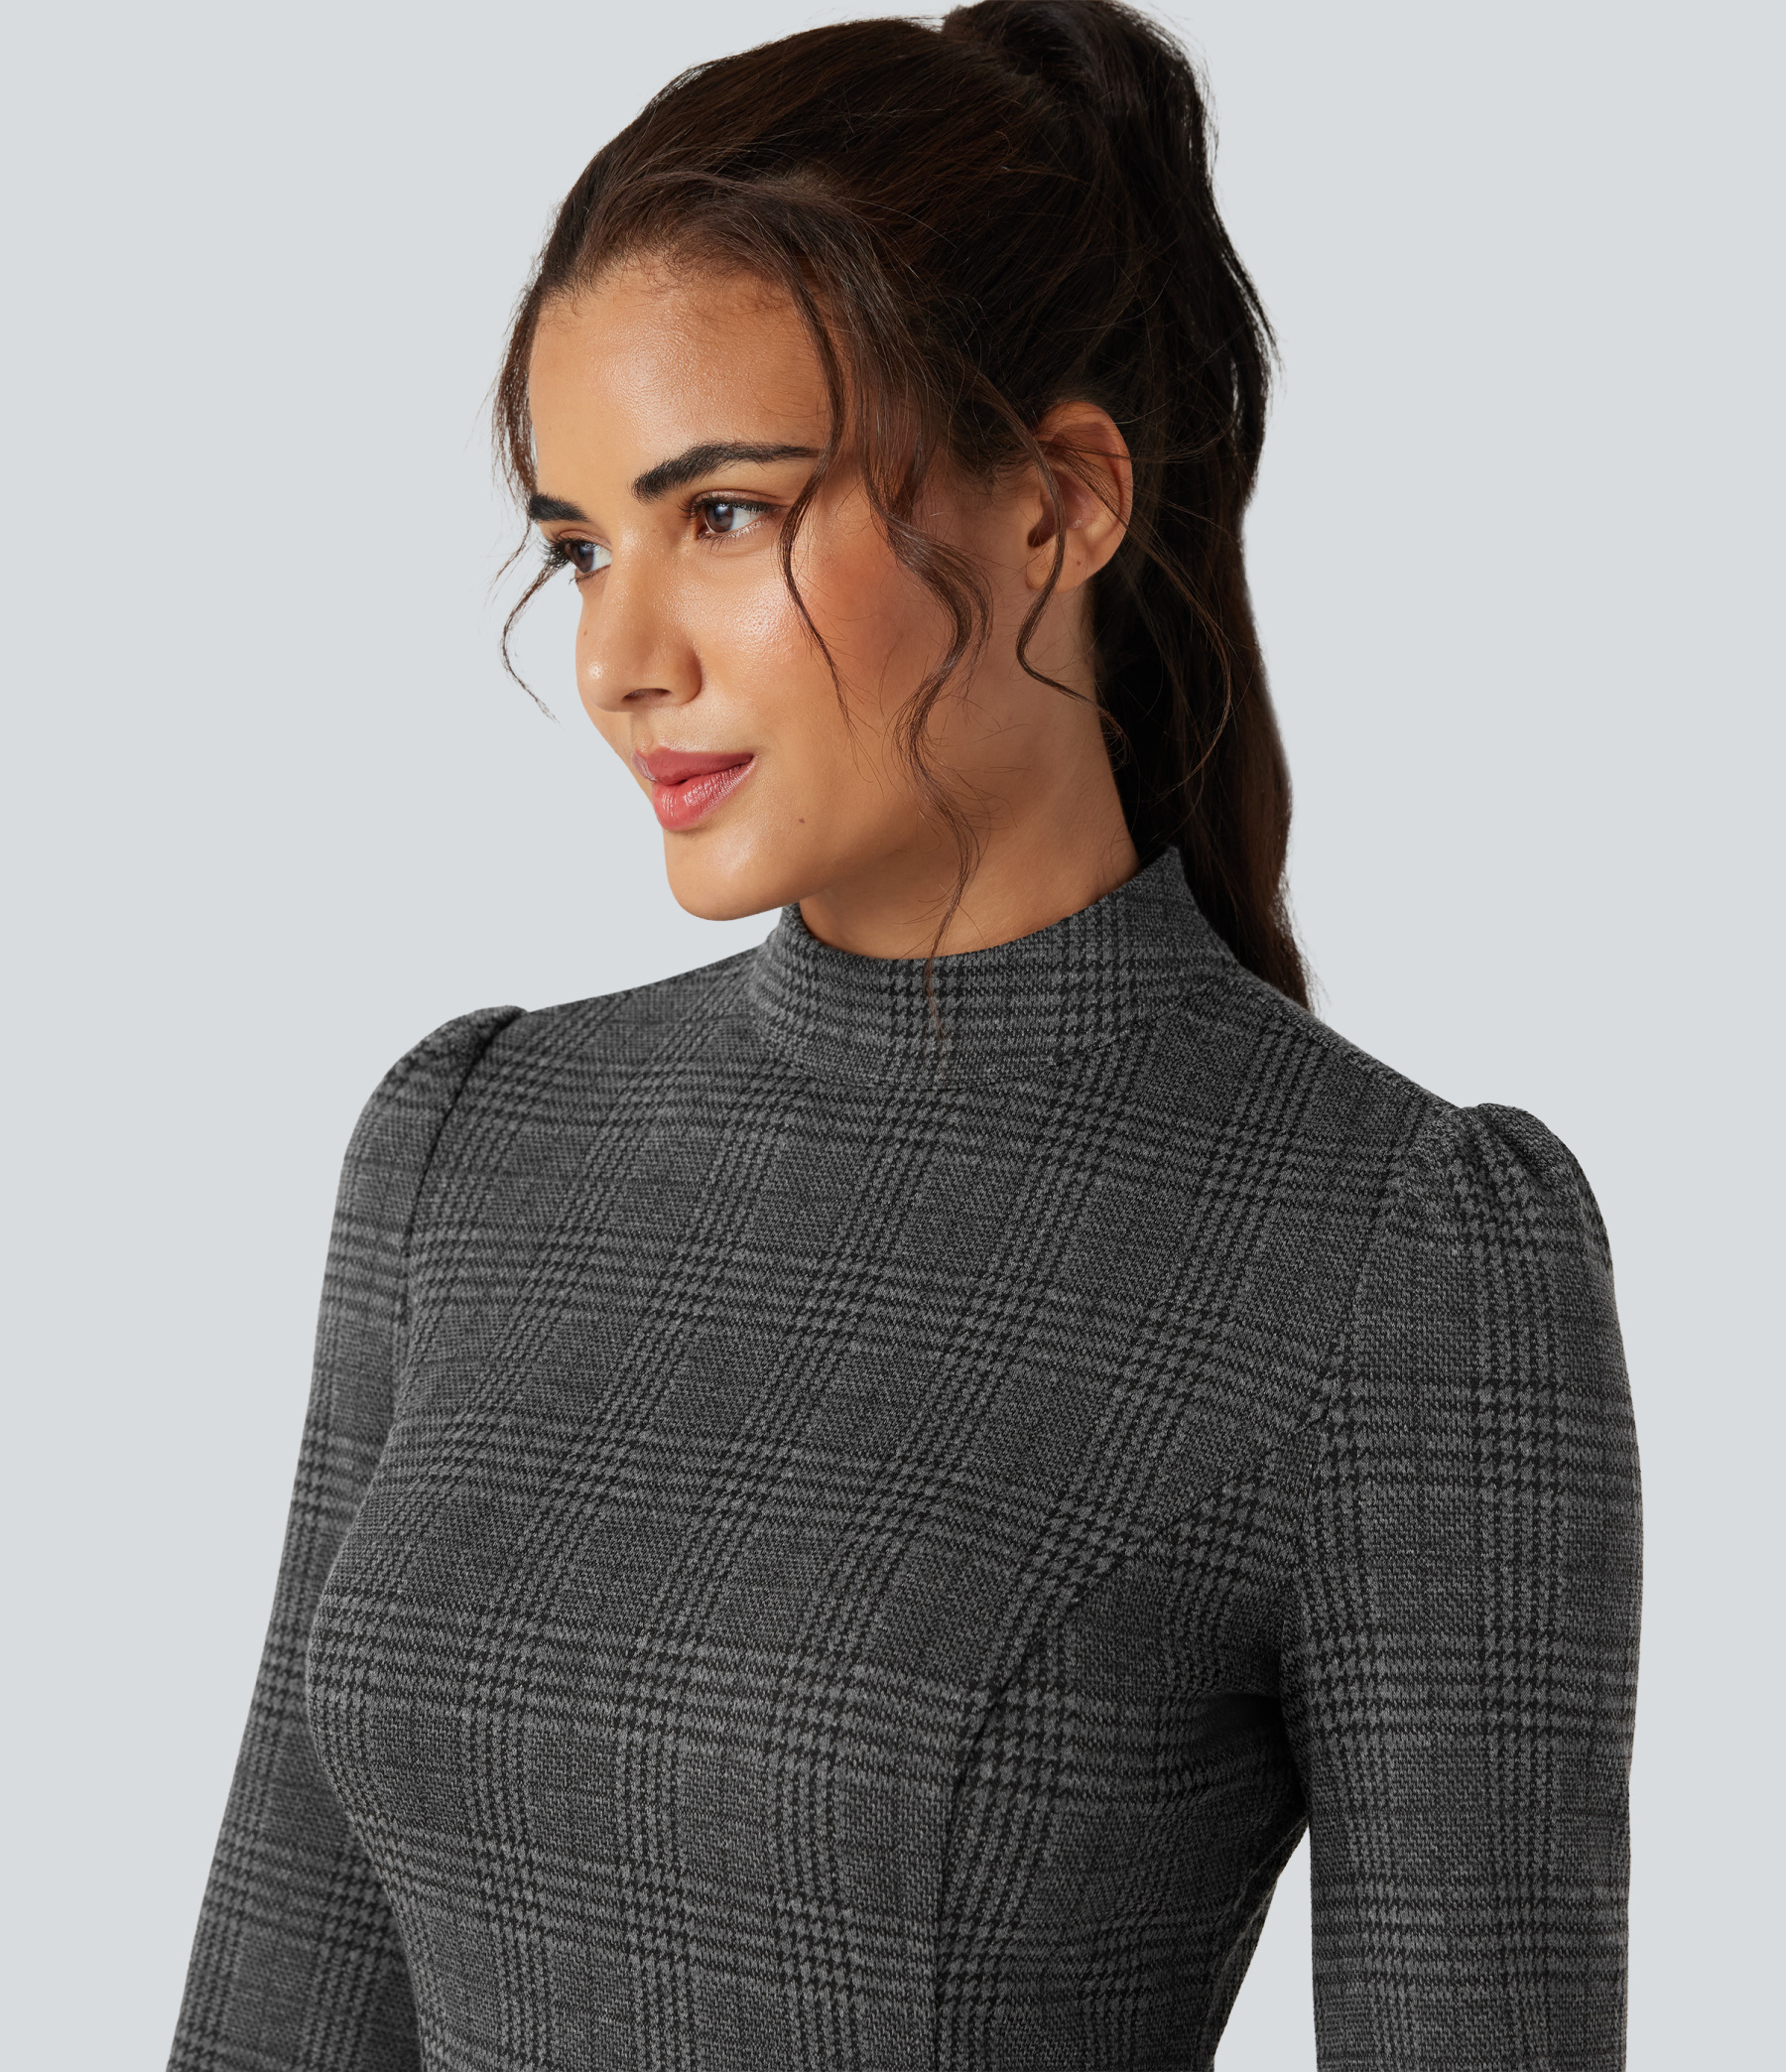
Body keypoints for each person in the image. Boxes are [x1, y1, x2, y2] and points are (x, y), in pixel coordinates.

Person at [168, 3, 1641, 2066]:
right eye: (582, 546)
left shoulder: (1396, 1247)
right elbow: (278, 2007)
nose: (617, 657)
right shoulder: (470, 1147)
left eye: (723, 514)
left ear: (1058, 503)